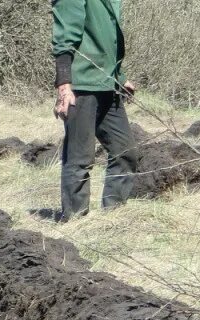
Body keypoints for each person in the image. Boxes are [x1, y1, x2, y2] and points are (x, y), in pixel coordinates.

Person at [51, 0, 139, 221]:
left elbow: (108, 40)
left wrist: (119, 77)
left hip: (106, 84)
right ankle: (74, 221)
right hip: (81, 86)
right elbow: (64, 39)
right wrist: (64, 87)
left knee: (124, 152)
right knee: (79, 158)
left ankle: (113, 216)